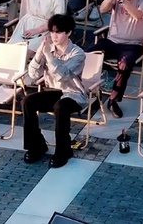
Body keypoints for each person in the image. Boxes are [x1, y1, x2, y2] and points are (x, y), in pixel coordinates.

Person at [21, 14, 86, 169]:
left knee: (61, 106)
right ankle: (36, 145)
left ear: (68, 33)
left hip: (74, 94)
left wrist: (49, 57)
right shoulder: (47, 49)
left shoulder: (78, 53)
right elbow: (33, 75)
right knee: (27, 101)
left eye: (59, 32)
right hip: (53, 91)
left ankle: (63, 151)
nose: (54, 36)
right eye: (52, 32)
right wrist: (38, 54)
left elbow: (63, 75)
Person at [90, 0, 143, 119]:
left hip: (133, 44)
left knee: (124, 64)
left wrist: (123, 0)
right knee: (87, 55)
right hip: (112, 41)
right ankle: (92, 93)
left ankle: (113, 99)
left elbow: (138, 16)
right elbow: (103, 9)